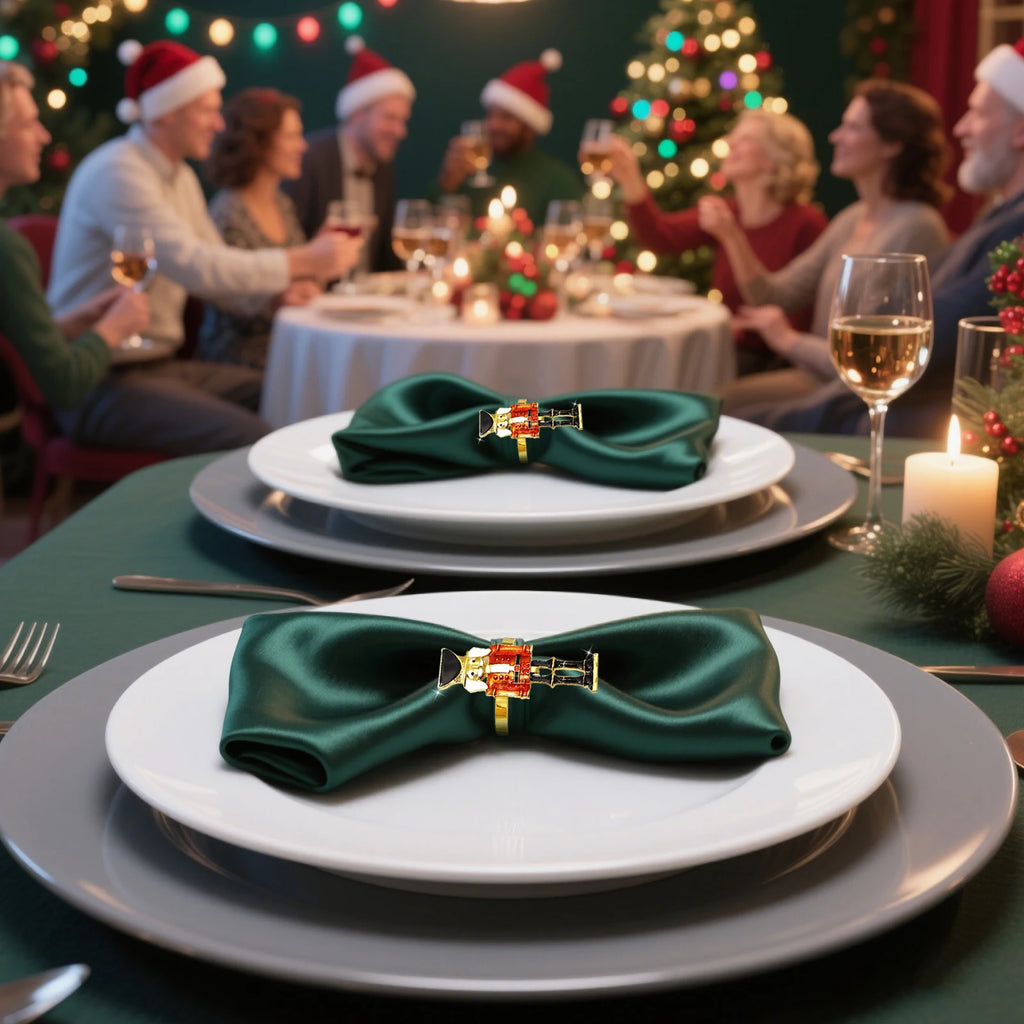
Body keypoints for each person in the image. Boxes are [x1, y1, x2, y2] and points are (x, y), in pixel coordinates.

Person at [704, 79, 951, 432]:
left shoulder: (916, 227)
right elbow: (773, 294)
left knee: (721, 411)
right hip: (817, 375)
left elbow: (878, 361)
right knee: (715, 403)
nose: (836, 137)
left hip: (849, 390)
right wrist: (731, 234)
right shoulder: (851, 218)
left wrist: (787, 339)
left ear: (893, 143)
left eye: (852, 127)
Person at [606, 109, 828, 375]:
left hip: (768, 362)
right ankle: (557, 418)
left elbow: (798, 315)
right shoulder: (728, 212)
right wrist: (630, 179)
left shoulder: (806, 223)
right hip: (727, 348)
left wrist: (738, 327)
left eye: (745, 139)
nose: (730, 143)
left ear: (773, 160)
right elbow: (661, 236)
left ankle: (551, 418)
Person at [885, 36, 1024, 437]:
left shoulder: (1018, 229)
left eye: (977, 113)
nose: (960, 128)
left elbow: (937, 330)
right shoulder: (1000, 213)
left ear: (1020, 132)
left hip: (918, 422)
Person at [0, 61, 150, 423]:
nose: (44, 136)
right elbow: (64, 386)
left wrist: (66, 326)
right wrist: (115, 327)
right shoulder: (6, 248)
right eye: (27, 124)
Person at [199, 88, 322, 370]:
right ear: (260, 143)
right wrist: (277, 300)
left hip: (289, 350)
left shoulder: (281, 203)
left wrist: (321, 260)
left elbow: (301, 282)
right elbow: (228, 300)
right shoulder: (228, 212)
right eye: (292, 136)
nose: (303, 146)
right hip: (242, 363)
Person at [283, 36, 414, 274]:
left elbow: (386, 256)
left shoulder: (383, 166)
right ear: (356, 113)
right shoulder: (309, 159)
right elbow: (288, 248)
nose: (400, 131)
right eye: (390, 118)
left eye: (403, 121)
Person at [433, 50, 582, 225]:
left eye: (506, 118)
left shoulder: (558, 181)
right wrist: (447, 182)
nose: (494, 125)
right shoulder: (466, 173)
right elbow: (427, 222)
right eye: (491, 115)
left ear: (530, 127)